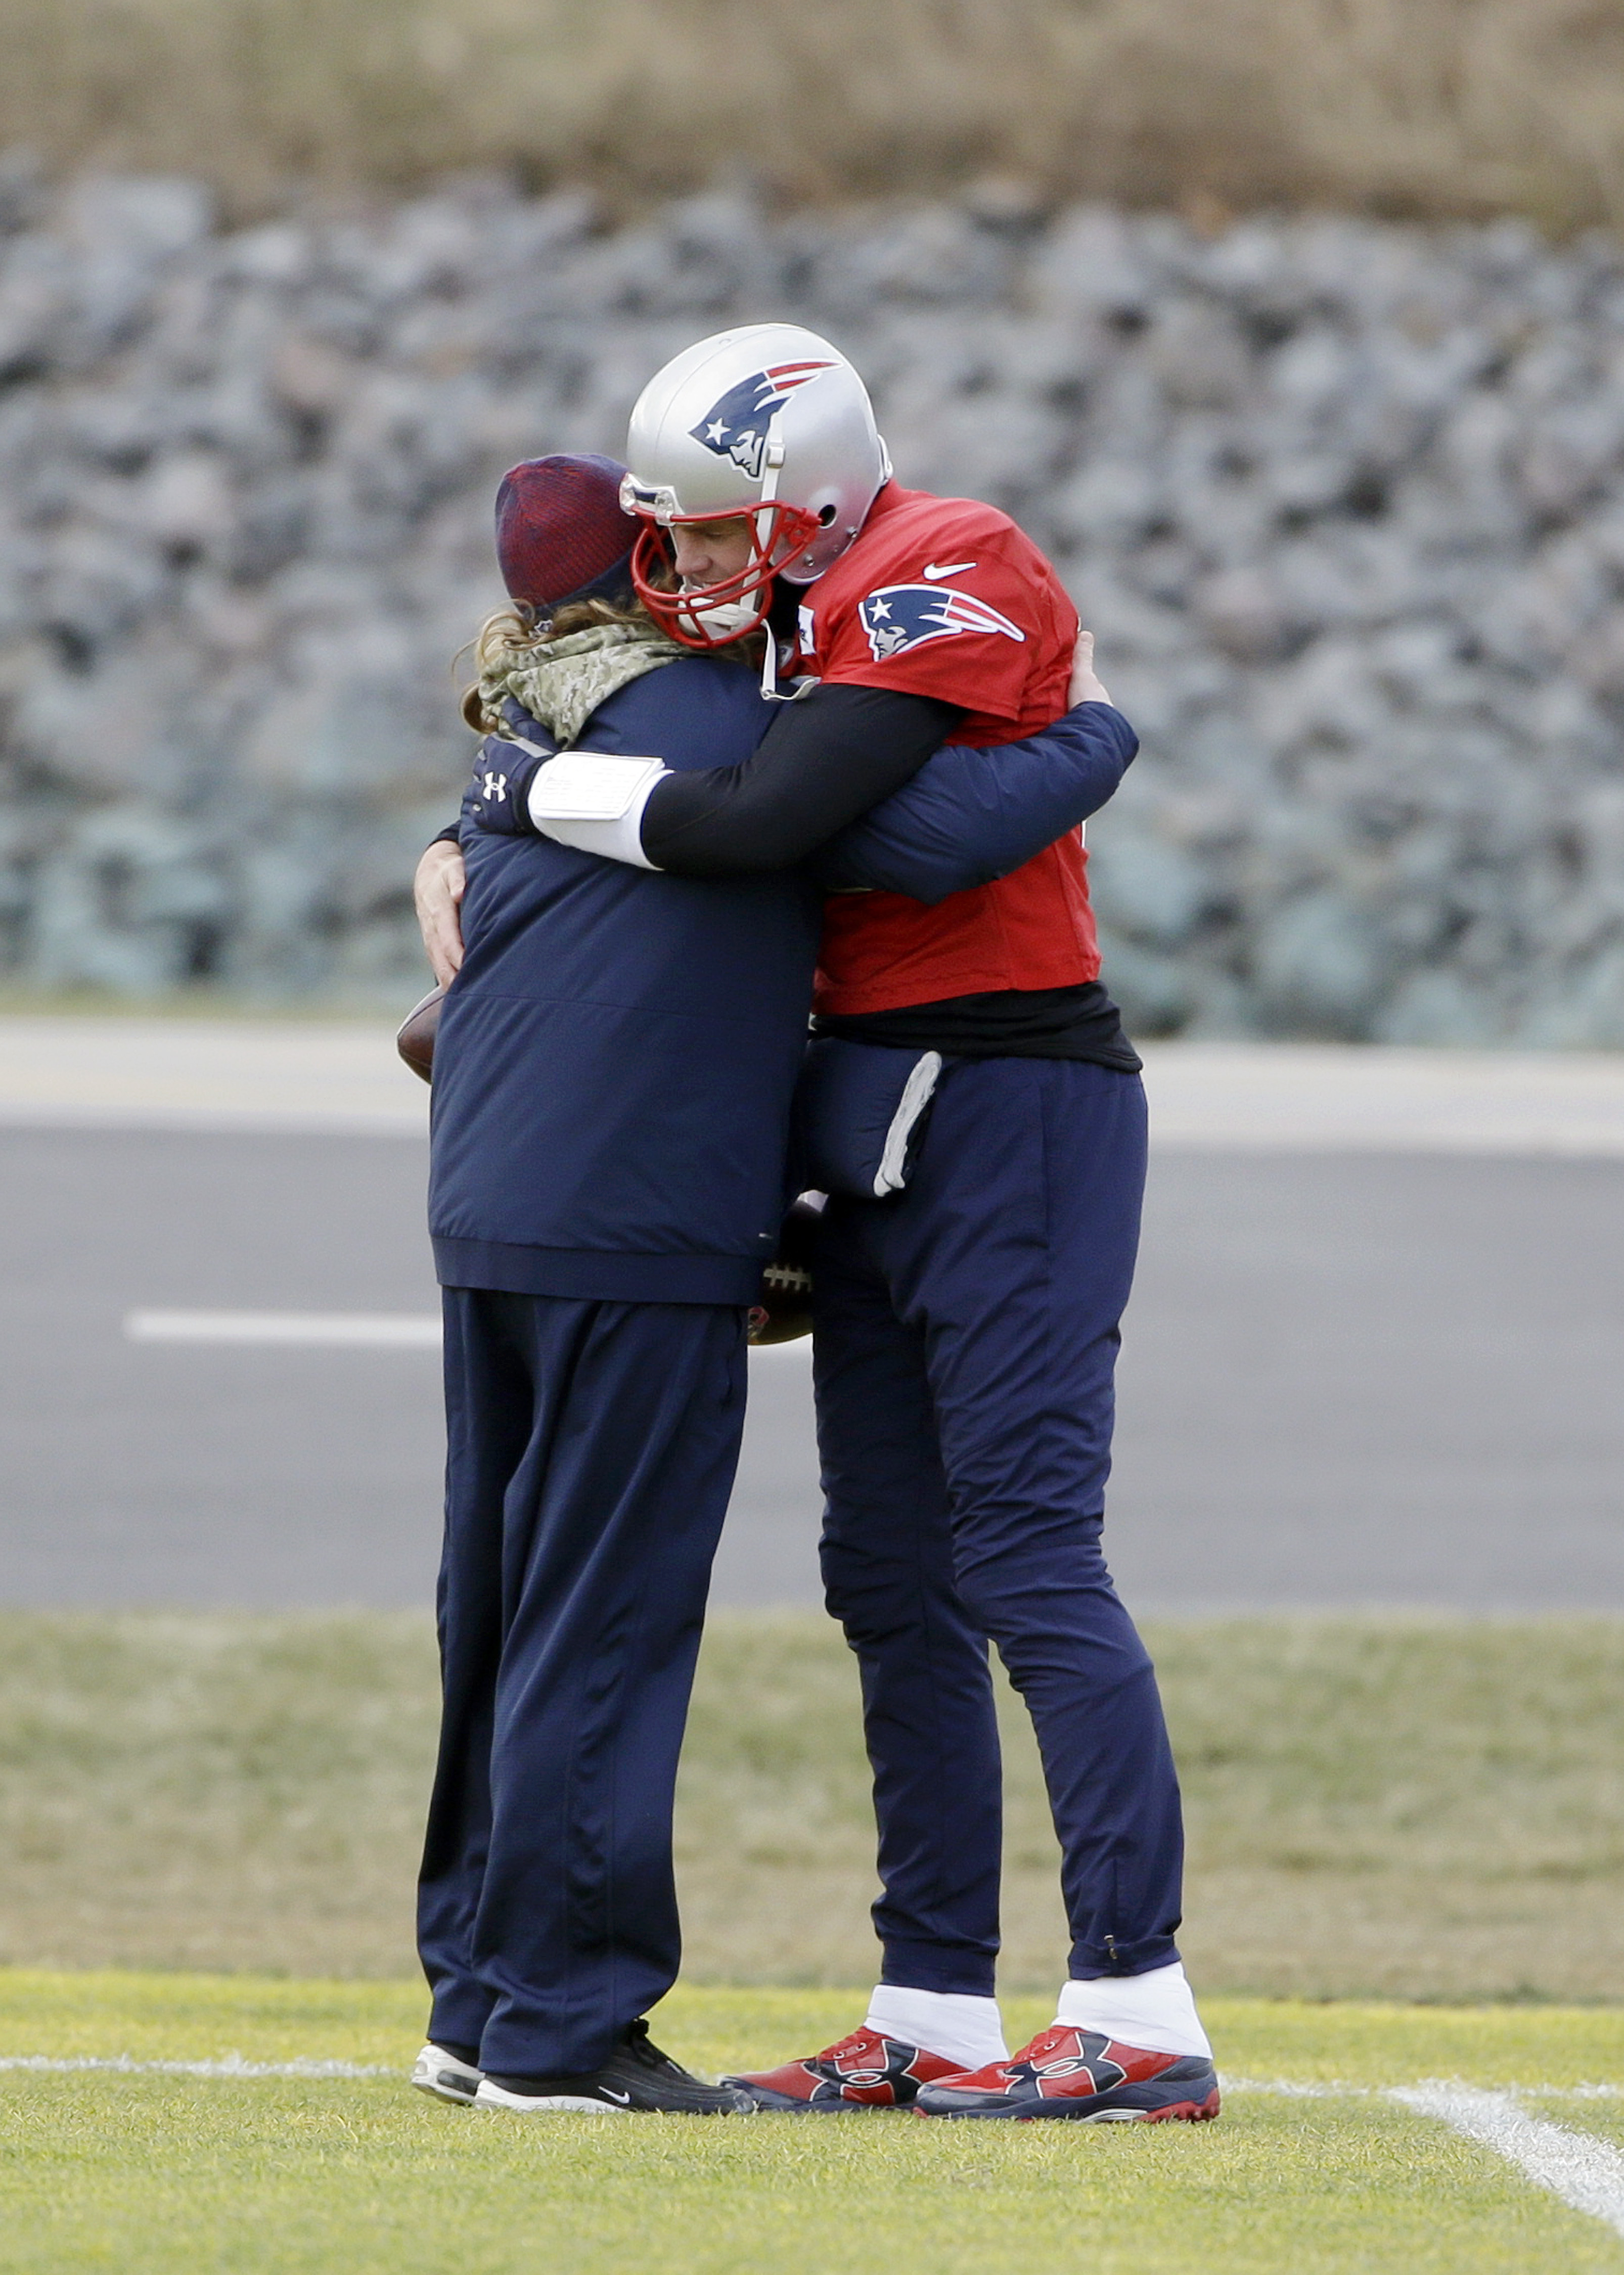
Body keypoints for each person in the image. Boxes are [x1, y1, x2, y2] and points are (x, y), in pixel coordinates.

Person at [466, 323, 1220, 2123]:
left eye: (724, 530)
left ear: (808, 493)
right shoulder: (793, 619)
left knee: (1027, 1551)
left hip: (1013, 1093)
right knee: (884, 1575)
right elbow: (813, 826)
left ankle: (1138, 1995)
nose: (695, 568)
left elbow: (847, 838)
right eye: (678, 535)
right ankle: (933, 2000)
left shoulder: (948, 554)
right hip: (870, 1109)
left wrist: (532, 786)